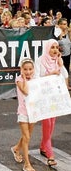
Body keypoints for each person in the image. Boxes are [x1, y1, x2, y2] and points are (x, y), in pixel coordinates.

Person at [34, 39, 69, 167]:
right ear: (47, 48)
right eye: (52, 47)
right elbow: (36, 78)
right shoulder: (40, 60)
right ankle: (50, 154)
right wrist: (51, 74)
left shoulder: (57, 61)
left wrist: (60, 63)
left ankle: (43, 147)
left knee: (52, 124)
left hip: (55, 97)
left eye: (56, 47)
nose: (55, 50)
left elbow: (64, 75)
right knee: (47, 125)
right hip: (44, 97)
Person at [11, 58, 36, 171]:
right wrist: (25, 78)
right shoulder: (19, 79)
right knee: (26, 137)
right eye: (25, 69)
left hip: (33, 111)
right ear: (21, 69)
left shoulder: (36, 79)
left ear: (33, 69)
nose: (28, 71)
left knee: (27, 136)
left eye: (30, 69)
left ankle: (16, 148)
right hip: (23, 112)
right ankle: (27, 164)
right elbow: (25, 91)